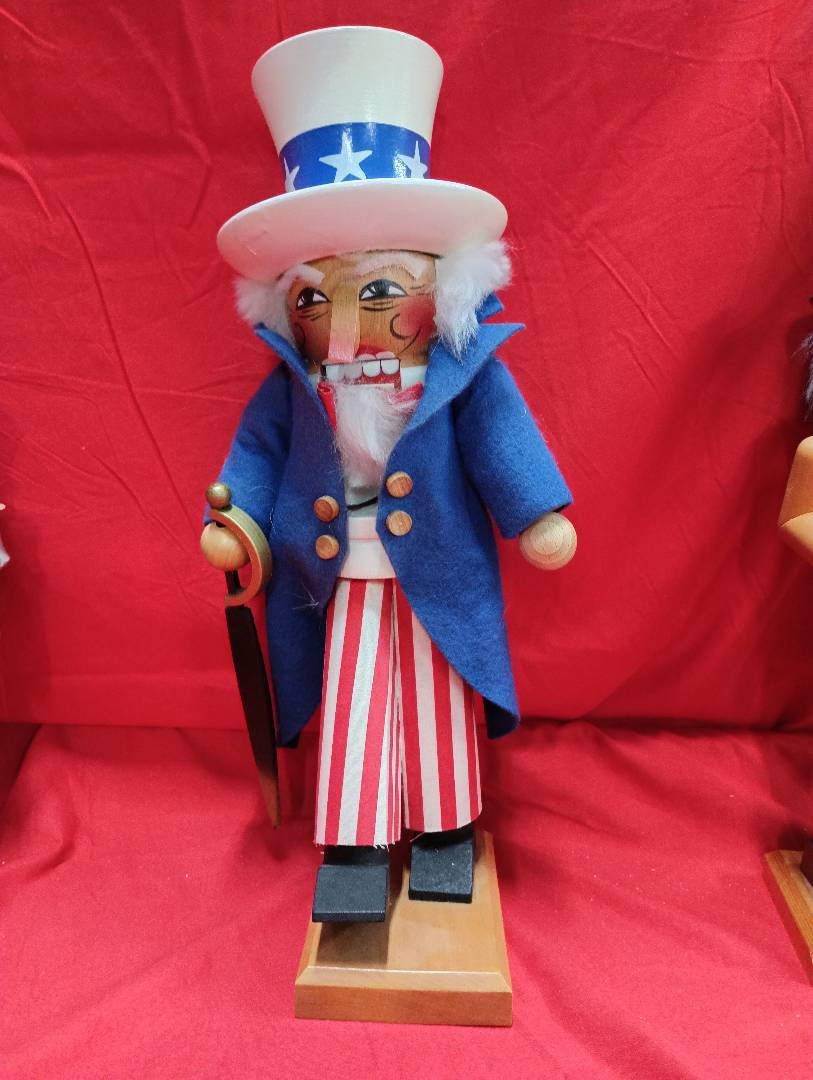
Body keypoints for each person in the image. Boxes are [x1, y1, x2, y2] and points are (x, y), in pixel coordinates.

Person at [201, 26, 576, 921]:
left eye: (376, 291)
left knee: (439, 695)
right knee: (355, 697)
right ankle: (355, 842)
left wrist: (535, 514)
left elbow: (501, 438)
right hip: (334, 576)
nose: (342, 326)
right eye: (313, 297)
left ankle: (446, 830)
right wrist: (235, 522)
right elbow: (255, 456)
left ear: (439, 291)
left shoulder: (461, 374)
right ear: (286, 310)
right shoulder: (296, 388)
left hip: (439, 567)